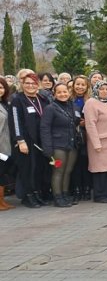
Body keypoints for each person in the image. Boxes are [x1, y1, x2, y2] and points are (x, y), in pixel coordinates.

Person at [11, 73, 50, 208]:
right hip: (26, 141)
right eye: (27, 83)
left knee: (39, 168)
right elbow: (15, 122)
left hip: (40, 140)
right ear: (22, 84)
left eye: (33, 83)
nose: (30, 86)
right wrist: (20, 140)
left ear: (38, 85)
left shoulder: (43, 99)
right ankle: (28, 196)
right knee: (28, 169)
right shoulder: (18, 100)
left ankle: (37, 193)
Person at [40, 83, 80, 207]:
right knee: (58, 171)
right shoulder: (50, 108)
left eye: (65, 92)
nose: (63, 94)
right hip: (57, 145)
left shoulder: (73, 106)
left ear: (69, 93)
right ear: (54, 94)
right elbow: (44, 128)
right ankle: (57, 197)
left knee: (68, 171)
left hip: (71, 143)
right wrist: (47, 148)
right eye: (59, 92)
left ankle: (65, 194)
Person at [69, 75, 91, 203]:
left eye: (83, 85)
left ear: (87, 87)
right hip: (73, 135)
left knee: (86, 162)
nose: (80, 87)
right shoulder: (69, 99)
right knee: (75, 164)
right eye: (77, 84)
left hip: (87, 135)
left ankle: (87, 188)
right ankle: (77, 189)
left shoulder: (90, 100)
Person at [0, 78, 13, 210]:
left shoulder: (5, 103)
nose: (0, 90)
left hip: (5, 145)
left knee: (2, 173)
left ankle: (2, 201)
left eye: (2, 87)